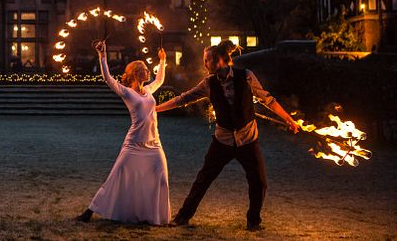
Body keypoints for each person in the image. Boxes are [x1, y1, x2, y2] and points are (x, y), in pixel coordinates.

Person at [157, 40, 299, 231]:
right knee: (203, 179)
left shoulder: (246, 76)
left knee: (259, 182)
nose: (205, 64)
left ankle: (253, 221)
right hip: (222, 140)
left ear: (219, 60)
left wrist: (289, 119)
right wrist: (155, 109)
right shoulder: (208, 83)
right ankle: (183, 217)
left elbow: (268, 99)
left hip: (248, 138)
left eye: (207, 60)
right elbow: (183, 99)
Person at [76, 42, 171, 224]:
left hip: (154, 144)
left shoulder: (148, 90)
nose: (148, 71)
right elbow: (108, 79)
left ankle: (156, 218)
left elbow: (159, 80)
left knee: (162, 178)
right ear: (136, 73)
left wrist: (163, 60)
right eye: (144, 69)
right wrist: (102, 56)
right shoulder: (127, 93)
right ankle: (89, 212)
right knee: (116, 175)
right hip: (134, 144)